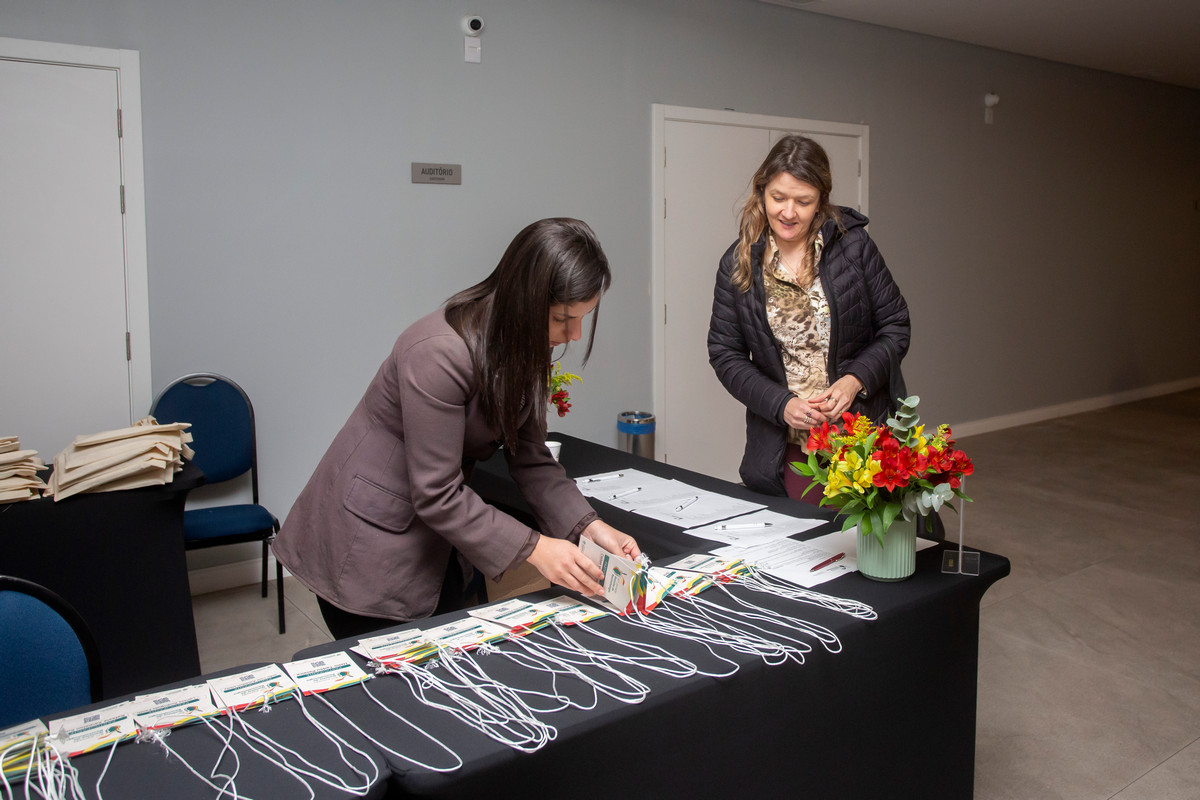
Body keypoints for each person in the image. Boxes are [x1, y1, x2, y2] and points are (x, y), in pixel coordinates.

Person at [274, 218, 641, 640]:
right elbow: (437, 493)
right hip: (367, 544)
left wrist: (589, 526)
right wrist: (538, 549)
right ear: (525, 300)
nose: (573, 334)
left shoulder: (525, 343)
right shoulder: (437, 352)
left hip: (433, 540)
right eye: (563, 318)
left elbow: (533, 459)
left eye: (582, 319)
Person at [708, 135, 911, 501]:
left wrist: (855, 380)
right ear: (761, 192)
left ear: (821, 201)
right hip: (788, 447)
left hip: (865, 440)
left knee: (868, 549)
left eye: (803, 201)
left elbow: (896, 326)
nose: (788, 212)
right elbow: (725, 354)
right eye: (778, 198)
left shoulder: (855, 246)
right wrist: (780, 404)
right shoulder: (737, 264)